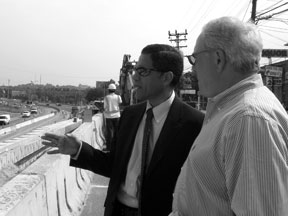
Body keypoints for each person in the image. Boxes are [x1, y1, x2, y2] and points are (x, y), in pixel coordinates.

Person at [41, 43, 204, 216]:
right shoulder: (130, 115)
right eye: (135, 71)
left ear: (166, 77)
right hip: (117, 210)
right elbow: (114, 165)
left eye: (142, 71)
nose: (134, 77)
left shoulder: (194, 124)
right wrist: (78, 149)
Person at [171, 16, 288, 216]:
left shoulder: (247, 118)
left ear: (218, 58)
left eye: (195, 58)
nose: (193, 69)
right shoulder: (232, 109)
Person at [103, 83, 122, 151]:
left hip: (108, 116)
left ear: (109, 90)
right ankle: (117, 146)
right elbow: (120, 103)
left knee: (110, 132)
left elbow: (104, 107)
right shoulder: (118, 97)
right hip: (117, 115)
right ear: (114, 90)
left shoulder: (106, 97)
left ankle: (109, 148)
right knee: (117, 131)